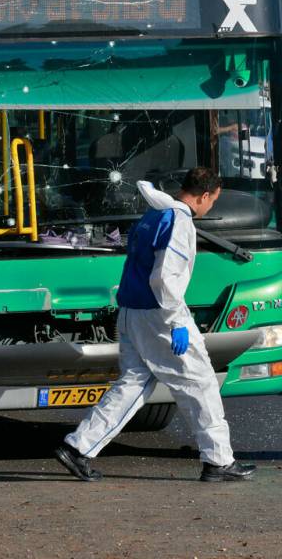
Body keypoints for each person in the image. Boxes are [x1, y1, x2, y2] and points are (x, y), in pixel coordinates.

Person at [55, 167, 256, 482]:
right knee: (199, 382)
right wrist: (176, 323)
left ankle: (78, 448)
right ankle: (218, 462)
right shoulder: (179, 222)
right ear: (204, 195)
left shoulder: (153, 215)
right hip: (160, 314)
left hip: (132, 311)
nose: (211, 207)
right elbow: (164, 279)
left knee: (133, 384)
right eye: (213, 201)